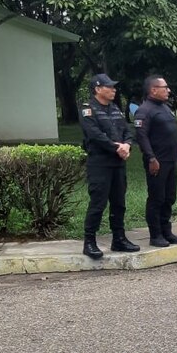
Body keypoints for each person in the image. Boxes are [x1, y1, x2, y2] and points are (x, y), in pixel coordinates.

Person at [79, 73, 137, 260]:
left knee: (119, 203)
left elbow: (127, 130)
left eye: (114, 87)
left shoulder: (115, 109)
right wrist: (116, 147)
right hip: (100, 164)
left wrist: (127, 145)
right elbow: (94, 135)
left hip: (118, 164)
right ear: (97, 89)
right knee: (98, 203)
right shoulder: (88, 110)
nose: (113, 90)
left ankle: (119, 238)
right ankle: (89, 242)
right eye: (109, 87)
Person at [134, 74, 177, 248]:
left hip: (170, 160)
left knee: (169, 197)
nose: (168, 90)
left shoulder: (165, 108)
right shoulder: (144, 110)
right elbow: (142, 137)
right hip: (156, 161)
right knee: (157, 198)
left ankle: (166, 231)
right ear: (153, 90)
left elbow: (172, 134)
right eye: (165, 88)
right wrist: (151, 158)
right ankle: (155, 234)